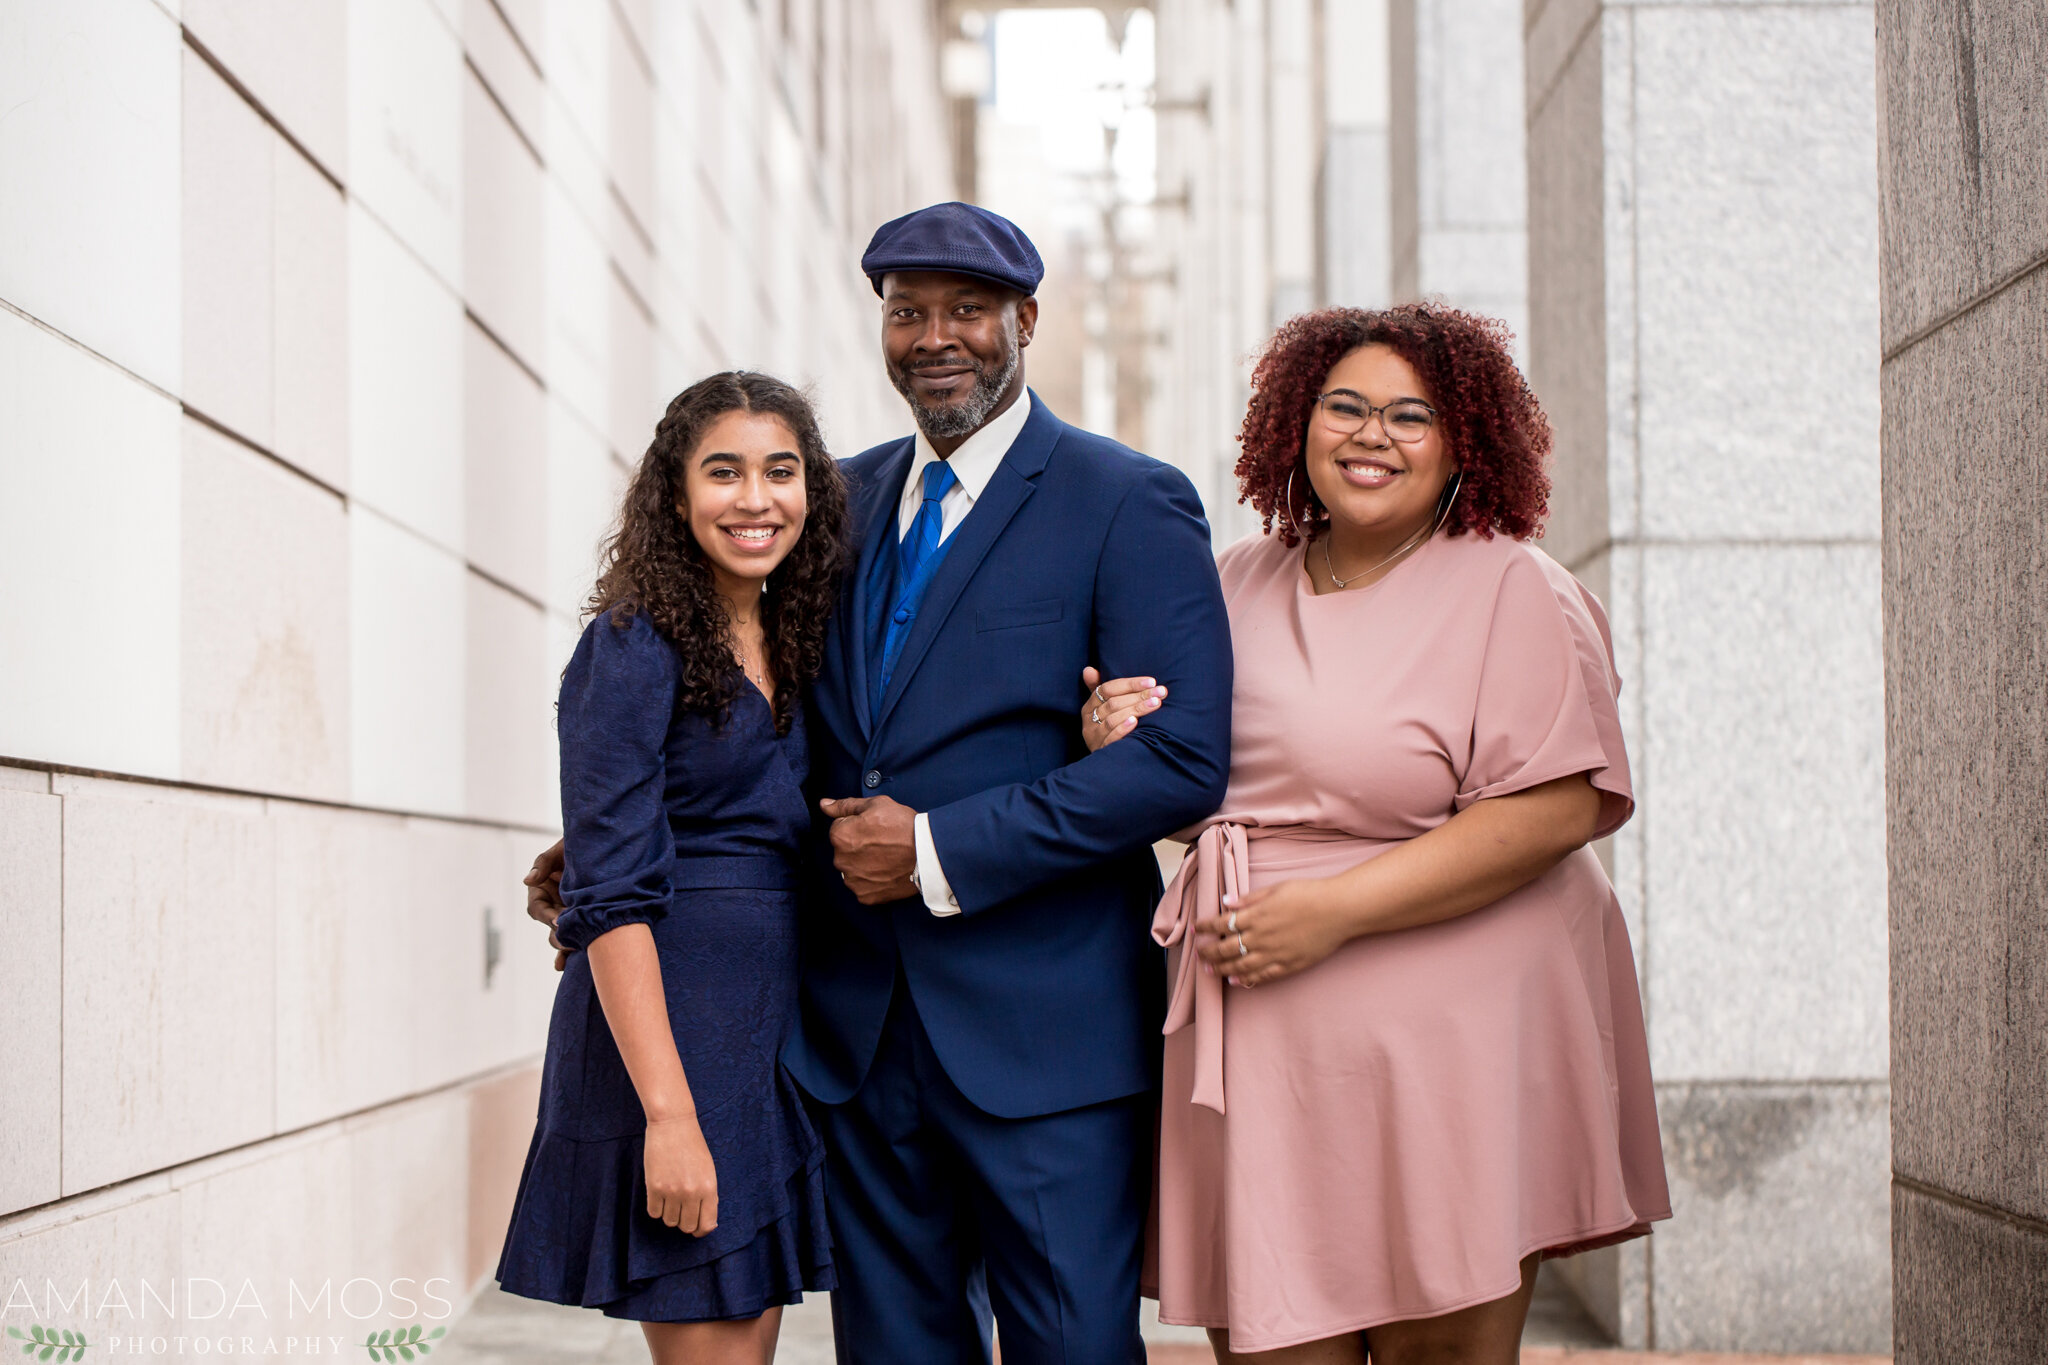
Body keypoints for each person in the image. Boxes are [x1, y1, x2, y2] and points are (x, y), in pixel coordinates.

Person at [530, 203, 1235, 1364]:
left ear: (1026, 321)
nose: (935, 337)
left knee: (1069, 1346)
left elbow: (1181, 760)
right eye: (908, 313)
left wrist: (936, 848)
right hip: (852, 1043)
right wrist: (611, 848)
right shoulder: (831, 503)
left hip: (1044, 1039)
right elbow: (770, 717)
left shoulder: (1125, 499)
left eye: (966, 311)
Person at [1084, 303, 1671, 1364]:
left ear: (1463, 441)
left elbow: (1558, 805)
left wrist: (1329, 915)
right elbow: (1196, 787)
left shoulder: (1511, 586)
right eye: (1343, 407)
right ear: (1292, 424)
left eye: (1410, 416)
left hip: (1450, 1040)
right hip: (1258, 1038)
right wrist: (1112, 742)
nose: (1370, 436)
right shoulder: (1236, 577)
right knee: (1270, 1343)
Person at [497, 372, 848, 1365]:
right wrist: (669, 1118)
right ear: (674, 490)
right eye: (723, 472)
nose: (754, 499)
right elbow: (610, 901)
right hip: (672, 1043)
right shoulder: (629, 643)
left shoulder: (791, 631)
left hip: (763, 1041)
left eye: (780, 472)